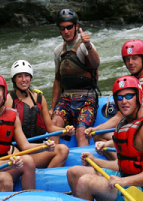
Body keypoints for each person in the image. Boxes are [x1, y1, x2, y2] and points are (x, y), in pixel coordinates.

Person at [67, 76, 143, 201]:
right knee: (73, 173)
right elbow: (126, 166)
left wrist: (125, 181)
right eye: (119, 97)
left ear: (138, 96)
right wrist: (96, 161)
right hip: (126, 178)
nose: (124, 101)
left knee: (85, 182)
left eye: (129, 96)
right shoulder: (125, 124)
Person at [5, 60, 74, 168]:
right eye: (19, 76)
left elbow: (50, 128)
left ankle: (45, 176)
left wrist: (66, 131)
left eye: (27, 76)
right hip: (17, 151)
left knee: (63, 149)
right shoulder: (8, 100)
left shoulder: (39, 99)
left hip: (35, 148)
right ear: (14, 79)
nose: (24, 80)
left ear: (31, 77)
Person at [49, 8, 100, 147]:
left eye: (69, 27)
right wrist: (53, 107)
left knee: (81, 131)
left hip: (87, 98)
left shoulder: (85, 46)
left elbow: (96, 64)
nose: (66, 31)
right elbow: (58, 80)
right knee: (54, 124)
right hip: (66, 99)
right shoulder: (58, 51)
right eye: (63, 28)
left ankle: (84, 165)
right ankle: (55, 158)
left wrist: (88, 45)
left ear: (76, 27)